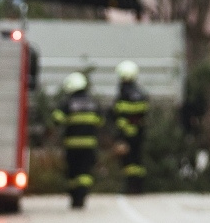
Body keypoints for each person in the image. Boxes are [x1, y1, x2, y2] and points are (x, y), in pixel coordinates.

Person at [52, 71, 102, 208]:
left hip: (72, 146)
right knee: (85, 173)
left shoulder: (68, 102)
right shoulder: (92, 103)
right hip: (89, 145)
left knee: (73, 173)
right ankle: (82, 196)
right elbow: (101, 121)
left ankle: (74, 198)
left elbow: (57, 119)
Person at [112, 60, 150, 194]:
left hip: (127, 134)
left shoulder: (123, 94)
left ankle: (130, 187)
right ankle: (139, 187)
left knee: (128, 162)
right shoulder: (140, 93)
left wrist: (120, 135)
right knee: (138, 160)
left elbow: (120, 115)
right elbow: (143, 114)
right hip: (139, 133)